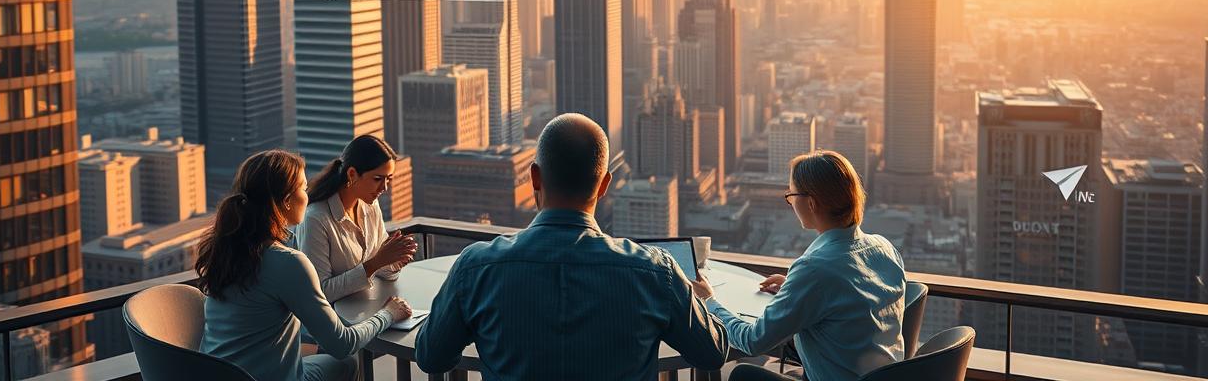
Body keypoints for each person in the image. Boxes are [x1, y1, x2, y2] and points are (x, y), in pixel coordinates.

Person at [415, 113, 729, 380]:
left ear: (535, 177)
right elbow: (712, 354)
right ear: (604, 185)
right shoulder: (656, 273)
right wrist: (707, 302)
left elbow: (431, 357)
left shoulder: (476, 269)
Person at [196, 149, 413, 381]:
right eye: (303, 187)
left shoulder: (225, 251)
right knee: (347, 363)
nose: (308, 194)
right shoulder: (287, 261)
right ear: (287, 201)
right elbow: (343, 344)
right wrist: (388, 314)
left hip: (214, 374)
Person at [693, 150, 905, 381]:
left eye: (791, 194)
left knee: (743, 375)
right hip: (886, 376)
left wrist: (708, 301)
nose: (790, 201)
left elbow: (752, 341)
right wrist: (796, 289)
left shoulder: (814, 269)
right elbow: (852, 302)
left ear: (811, 203)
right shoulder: (884, 248)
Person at [298, 135, 418, 301]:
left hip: (367, 307)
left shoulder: (371, 205)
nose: (384, 187)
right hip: (334, 315)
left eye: (389, 179)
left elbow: (382, 274)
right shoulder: (316, 219)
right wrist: (375, 263)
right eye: (377, 179)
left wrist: (394, 260)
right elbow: (319, 293)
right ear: (352, 174)